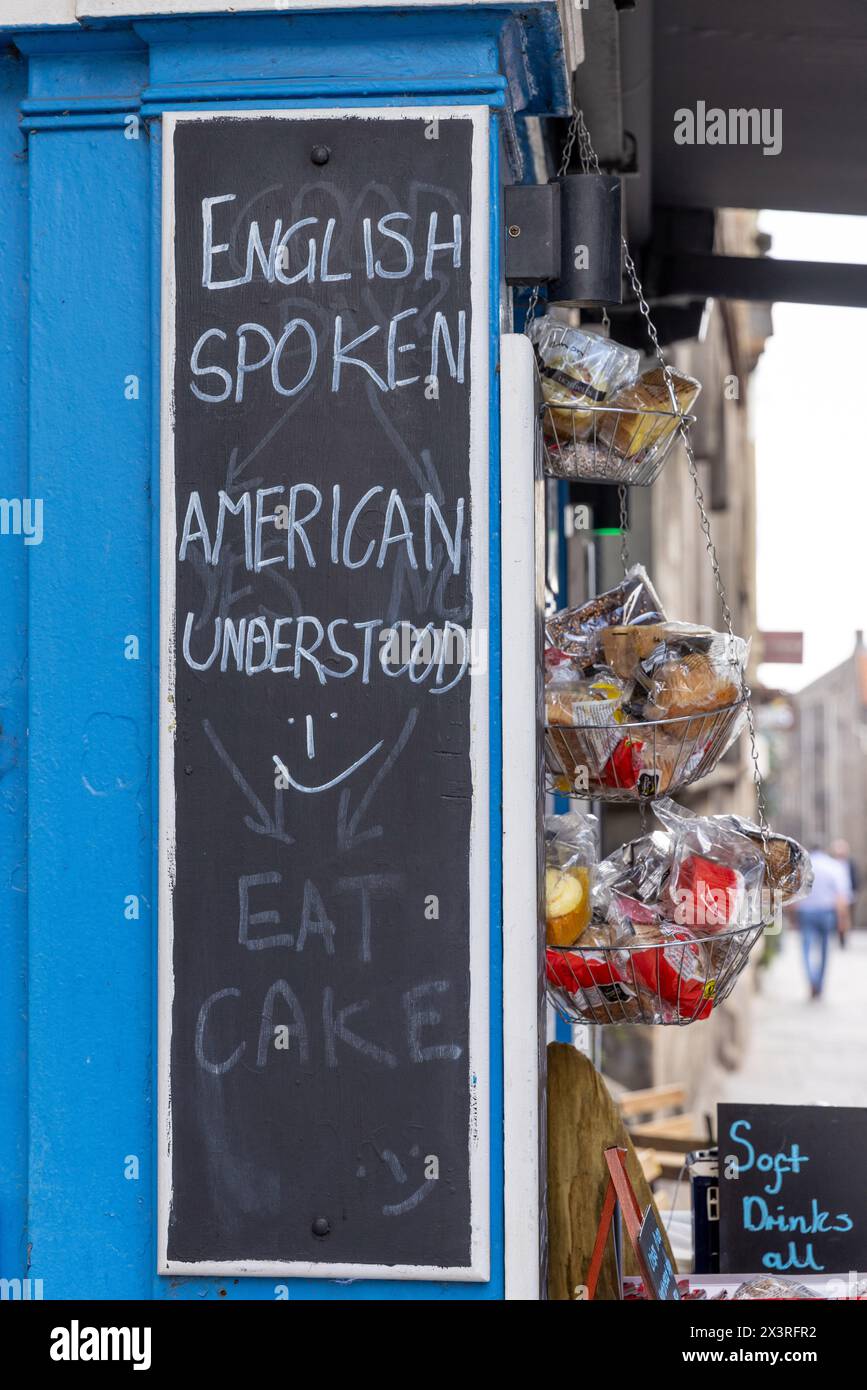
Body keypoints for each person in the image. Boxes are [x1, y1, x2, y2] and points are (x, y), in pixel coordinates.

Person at [796, 846, 851, 999]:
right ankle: (819, 983)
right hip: (827, 912)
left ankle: (812, 980)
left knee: (806, 949)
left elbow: (794, 892)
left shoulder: (803, 866)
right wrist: (843, 921)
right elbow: (841, 896)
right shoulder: (834, 866)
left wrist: (793, 915)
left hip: (806, 912)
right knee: (825, 950)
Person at [830, 839, 858, 947]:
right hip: (835, 895)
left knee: (847, 918)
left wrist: (854, 891)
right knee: (837, 917)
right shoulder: (831, 863)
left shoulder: (851, 863)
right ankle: (838, 936)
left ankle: (845, 937)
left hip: (849, 894)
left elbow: (856, 878)